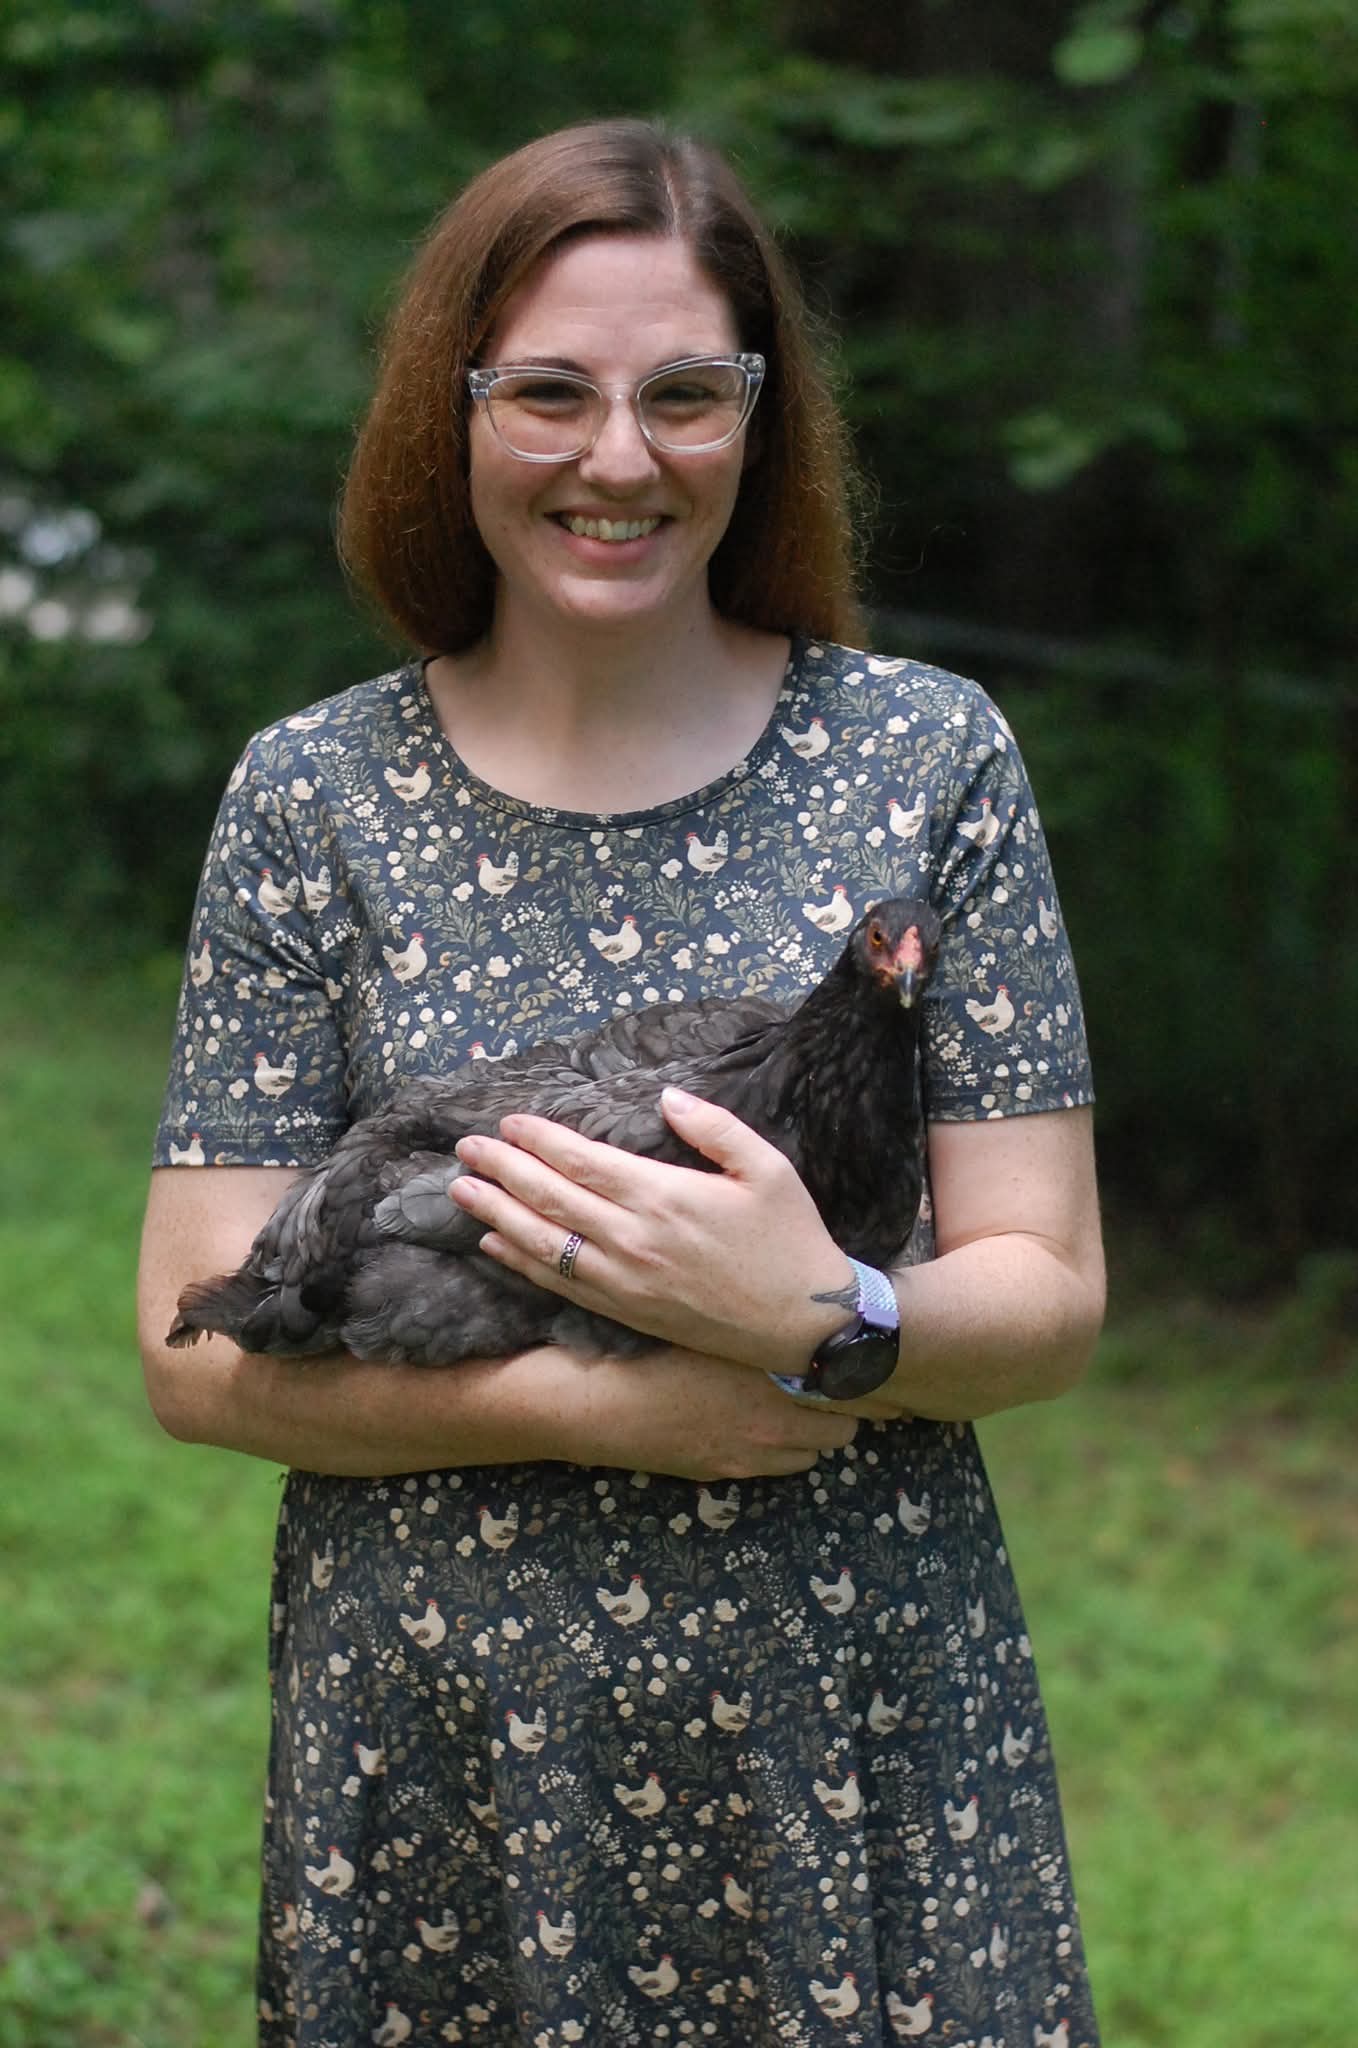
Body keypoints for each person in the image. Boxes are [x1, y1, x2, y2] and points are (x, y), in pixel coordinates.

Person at [137, 118, 1105, 2048]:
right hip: (446, 1746)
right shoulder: (314, 798)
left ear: (756, 417)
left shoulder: (924, 758)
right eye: (549, 393)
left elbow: (1048, 1296)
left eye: (682, 393)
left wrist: (821, 1315)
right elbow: (193, 1353)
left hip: (848, 1733)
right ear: (453, 411)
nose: (617, 457)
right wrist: (605, 1406)